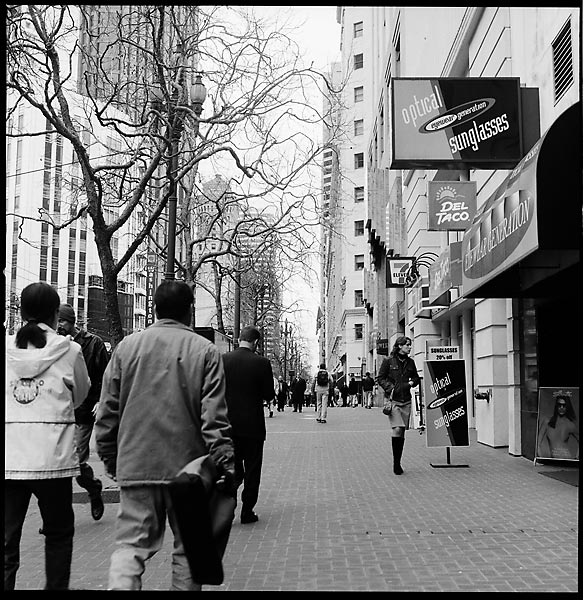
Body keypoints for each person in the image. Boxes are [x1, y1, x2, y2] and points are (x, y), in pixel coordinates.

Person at [95, 281, 235, 591]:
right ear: (190, 311)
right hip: (188, 471)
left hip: (136, 463)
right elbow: (214, 418)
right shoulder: (206, 351)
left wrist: (109, 455)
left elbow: (107, 409)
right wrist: (225, 462)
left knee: (130, 547)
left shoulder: (126, 348)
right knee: (188, 550)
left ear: (155, 309)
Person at [5, 282, 90, 591]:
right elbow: (81, 394)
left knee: (5, 545)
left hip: (9, 459)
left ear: (22, 312)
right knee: (57, 538)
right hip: (53, 460)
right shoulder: (69, 350)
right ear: (56, 315)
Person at [57, 303, 110, 521]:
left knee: (76, 462)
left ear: (72, 322)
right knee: (59, 466)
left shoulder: (93, 343)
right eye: (57, 321)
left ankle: (94, 488)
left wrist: (101, 401)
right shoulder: (54, 344)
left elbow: (105, 375)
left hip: (84, 411)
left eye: (63, 321)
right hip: (58, 413)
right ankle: (56, 516)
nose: (59, 326)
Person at [222, 326, 275, 525]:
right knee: (253, 469)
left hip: (227, 425)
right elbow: (269, 394)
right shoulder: (262, 363)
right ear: (256, 342)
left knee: (230, 469)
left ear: (239, 339)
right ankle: (247, 511)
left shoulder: (223, 360)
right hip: (253, 426)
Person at [377, 336, 421, 475]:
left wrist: (411, 383)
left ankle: (399, 461)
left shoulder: (410, 362)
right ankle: (396, 464)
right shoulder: (388, 361)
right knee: (397, 429)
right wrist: (391, 388)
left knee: (402, 431)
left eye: (410, 345)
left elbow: (416, 378)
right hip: (393, 400)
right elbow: (380, 378)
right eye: (407, 345)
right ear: (400, 346)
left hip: (406, 400)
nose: (409, 347)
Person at [537, 393, 579, 459]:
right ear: (556, 406)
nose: (561, 408)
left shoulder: (570, 424)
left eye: (564, 405)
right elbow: (538, 442)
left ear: (567, 406)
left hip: (567, 460)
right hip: (552, 460)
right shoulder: (547, 422)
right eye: (559, 405)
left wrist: (576, 458)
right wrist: (541, 457)